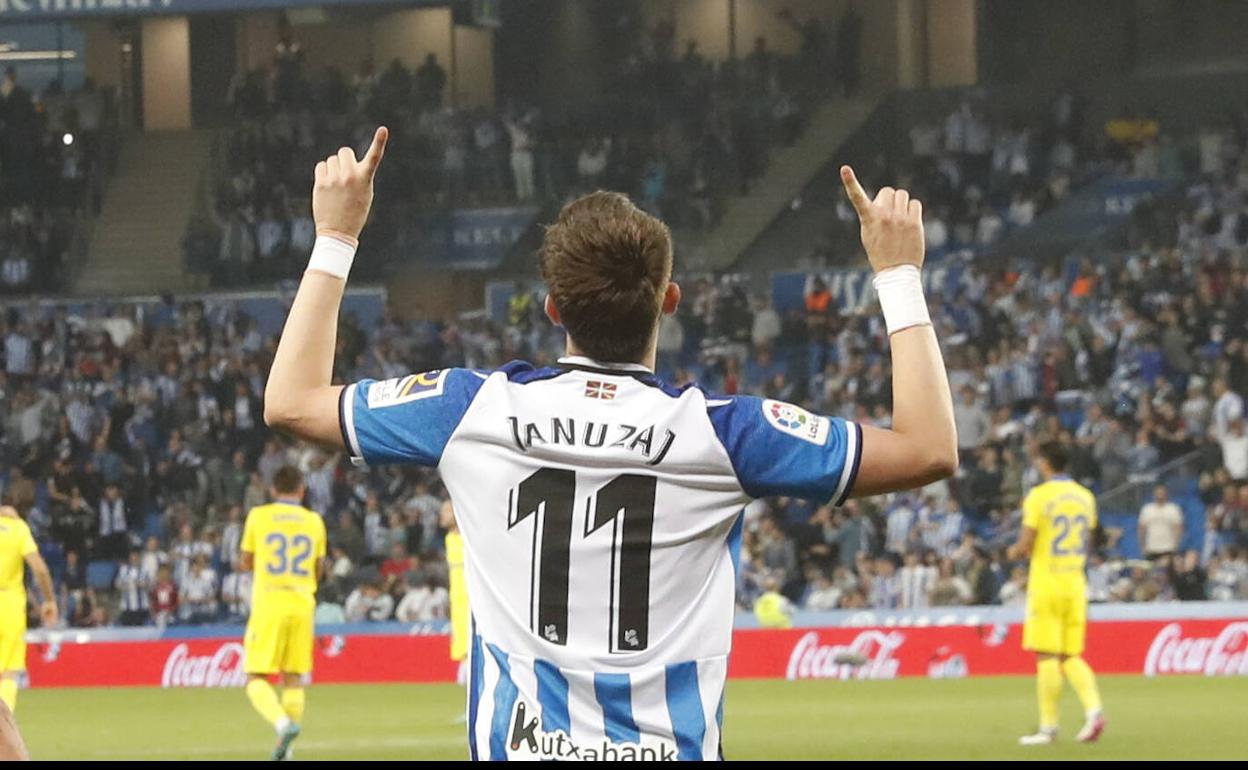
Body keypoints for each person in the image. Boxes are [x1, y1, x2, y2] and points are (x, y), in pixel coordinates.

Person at [262, 128, 957, 759]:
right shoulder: (725, 433)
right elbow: (928, 449)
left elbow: (290, 402)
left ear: (552, 308)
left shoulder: (469, 409)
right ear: (670, 301)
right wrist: (898, 275)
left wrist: (337, 235)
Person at [1007, 442, 1105, 746]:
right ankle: (1094, 711)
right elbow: (1089, 538)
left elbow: (1026, 543)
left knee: (1046, 654)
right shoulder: (1085, 497)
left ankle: (1048, 728)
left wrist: (1013, 552)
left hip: (1047, 582)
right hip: (1075, 582)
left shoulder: (1039, 496)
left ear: (1045, 463)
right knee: (1070, 655)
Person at [238, 466, 327, 761]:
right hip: (302, 604)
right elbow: (319, 569)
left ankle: (282, 724)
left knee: (255, 677)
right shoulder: (314, 521)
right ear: (302, 490)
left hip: (270, 603)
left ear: (273, 490)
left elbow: (246, 561)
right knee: (293, 678)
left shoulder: (258, 516)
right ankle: (286, 751)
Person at [0, 505, 57, 716]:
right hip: (8, 604)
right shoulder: (18, 529)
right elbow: (40, 569)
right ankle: (3, 732)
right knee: (8, 674)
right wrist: (50, 600)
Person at [443, 500, 470, 686]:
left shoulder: (470, 537)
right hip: (457, 601)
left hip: (473, 601)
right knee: (462, 645)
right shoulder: (449, 538)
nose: (441, 515)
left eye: (445, 511)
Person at [1138, 485, 1184, 559]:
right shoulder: (1147, 509)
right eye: (1158, 493)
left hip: (1168, 548)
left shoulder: (1173, 509)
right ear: (1154, 495)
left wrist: (1176, 545)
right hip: (1151, 548)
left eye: (1162, 493)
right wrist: (1142, 546)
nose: (1160, 496)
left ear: (1166, 494)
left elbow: (1178, 529)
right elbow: (1141, 529)